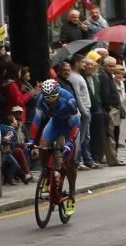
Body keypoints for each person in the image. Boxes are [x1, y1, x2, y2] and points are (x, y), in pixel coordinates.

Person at [26, 79, 81, 217]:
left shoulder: (69, 100)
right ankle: (46, 174)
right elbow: (37, 121)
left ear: (58, 94)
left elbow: (76, 124)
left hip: (70, 126)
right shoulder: (41, 100)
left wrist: (70, 143)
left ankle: (72, 195)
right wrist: (32, 140)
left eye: (53, 98)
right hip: (55, 124)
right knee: (43, 147)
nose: (51, 101)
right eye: (48, 98)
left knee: (70, 163)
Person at [100, 57, 126, 167]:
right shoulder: (104, 76)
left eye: (113, 66)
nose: (112, 68)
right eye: (109, 66)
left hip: (115, 108)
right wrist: (109, 108)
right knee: (111, 136)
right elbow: (105, 94)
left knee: (114, 133)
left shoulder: (109, 76)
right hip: (111, 109)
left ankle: (113, 157)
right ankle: (112, 159)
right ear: (105, 66)